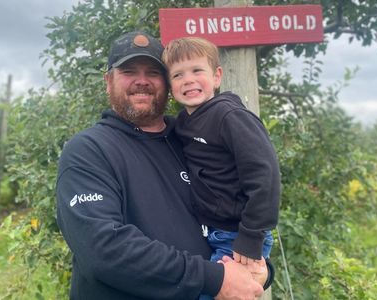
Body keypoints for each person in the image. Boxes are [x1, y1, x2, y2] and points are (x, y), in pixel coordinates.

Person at [56, 31, 273, 300]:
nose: (142, 81)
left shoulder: (192, 139)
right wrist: (215, 279)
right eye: (129, 71)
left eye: (153, 72)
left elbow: (238, 203)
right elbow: (103, 250)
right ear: (108, 81)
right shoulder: (89, 150)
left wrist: (257, 270)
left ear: (166, 83)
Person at [161, 37, 280, 300]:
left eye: (197, 71)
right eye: (178, 75)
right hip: (210, 233)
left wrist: (251, 237)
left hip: (238, 235)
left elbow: (265, 176)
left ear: (216, 76)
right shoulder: (183, 124)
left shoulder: (230, 116)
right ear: (170, 87)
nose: (188, 80)